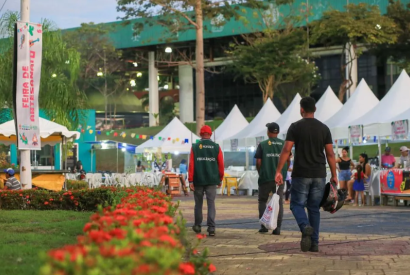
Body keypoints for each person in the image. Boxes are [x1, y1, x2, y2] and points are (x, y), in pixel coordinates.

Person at [275, 97, 337, 253]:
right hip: (319, 174)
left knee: (296, 204)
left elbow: (286, 150)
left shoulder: (295, 127)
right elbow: (330, 153)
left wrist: (279, 171)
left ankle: (305, 227)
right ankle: (314, 244)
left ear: (301, 109)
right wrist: (334, 175)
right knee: (314, 208)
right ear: (314, 109)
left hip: (301, 173)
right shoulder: (324, 128)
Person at [188, 125, 224, 237]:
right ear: (210, 134)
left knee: (198, 204)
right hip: (212, 179)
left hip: (198, 179)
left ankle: (198, 225)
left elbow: (191, 165)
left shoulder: (195, 147)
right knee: (211, 203)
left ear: (200, 134)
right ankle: (211, 228)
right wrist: (220, 178)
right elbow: (221, 164)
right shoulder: (216, 147)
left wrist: (190, 180)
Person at [254, 122, 288, 235]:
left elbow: (258, 161)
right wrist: (283, 172)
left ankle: (264, 226)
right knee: (279, 202)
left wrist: (261, 172)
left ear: (268, 132)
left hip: (265, 177)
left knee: (262, 201)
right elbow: (288, 160)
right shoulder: (284, 144)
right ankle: (277, 228)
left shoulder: (262, 144)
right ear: (277, 132)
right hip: (280, 179)